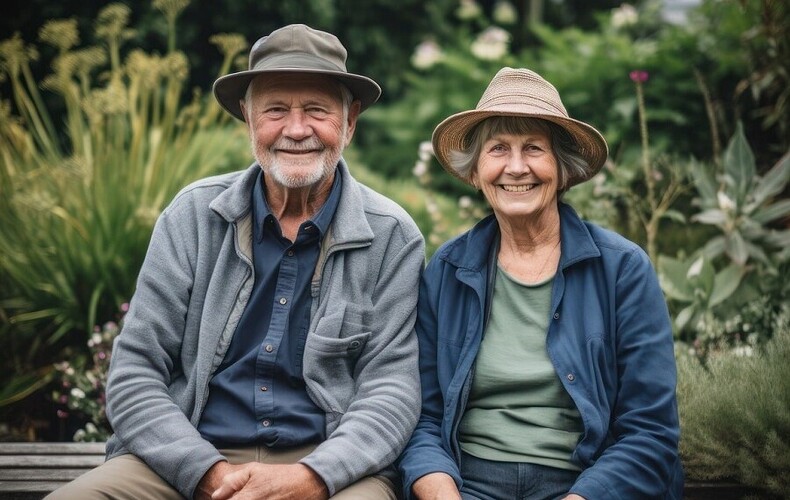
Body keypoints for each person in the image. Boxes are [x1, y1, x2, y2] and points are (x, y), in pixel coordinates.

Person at [48, 24, 425, 500]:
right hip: (187, 454)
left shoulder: (392, 235)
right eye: (275, 110)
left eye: (316, 110)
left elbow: (391, 392)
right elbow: (134, 372)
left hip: (328, 463)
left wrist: (311, 478)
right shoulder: (192, 215)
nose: (296, 129)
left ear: (349, 123)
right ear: (247, 119)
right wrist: (208, 473)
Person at [397, 67, 683, 500]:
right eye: (498, 149)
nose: (516, 167)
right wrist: (442, 493)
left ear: (562, 169)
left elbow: (650, 430)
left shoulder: (622, 269)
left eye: (533, 148)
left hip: (584, 485)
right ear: (475, 172)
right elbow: (422, 416)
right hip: (468, 482)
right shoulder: (448, 270)